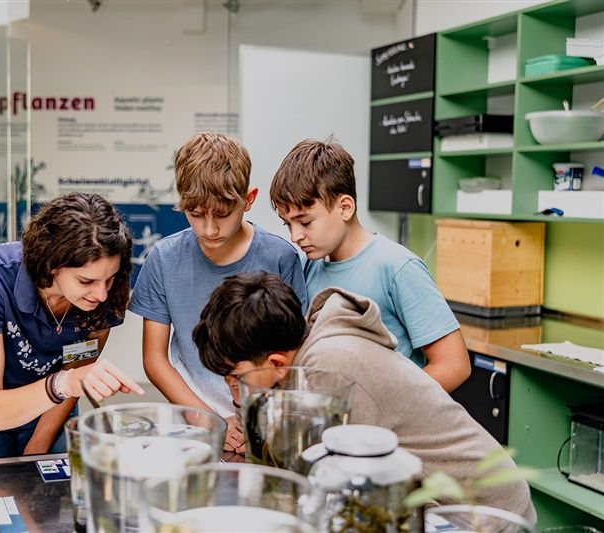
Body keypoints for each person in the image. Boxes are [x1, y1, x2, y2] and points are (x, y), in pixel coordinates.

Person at [193, 272, 536, 522]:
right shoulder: (308, 355)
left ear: (278, 364)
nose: (233, 388)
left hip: (480, 513)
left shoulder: (329, 368)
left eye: (235, 377)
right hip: (432, 502)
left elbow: (346, 493)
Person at [129, 132, 306, 453]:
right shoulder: (164, 258)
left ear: (249, 199)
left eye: (223, 214)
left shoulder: (280, 257)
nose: (209, 229)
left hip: (265, 416)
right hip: (191, 419)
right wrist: (207, 419)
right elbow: (155, 358)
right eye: (196, 214)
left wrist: (259, 419)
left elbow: (292, 357)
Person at [0, 193, 144, 461]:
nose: (101, 294)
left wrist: (38, 446)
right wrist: (63, 383)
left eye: (109, 279)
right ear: (52, 264)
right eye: (85, 281)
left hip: (52, 403)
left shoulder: (105, 294)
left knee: (49, 483)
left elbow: (76, 368)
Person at [269, 138, 470, 392]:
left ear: (345, 207)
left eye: (305, 222)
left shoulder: (397, 267)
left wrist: (389, 407)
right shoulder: (307, 266)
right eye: (288, 224)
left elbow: (454, 365)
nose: (295, 236)